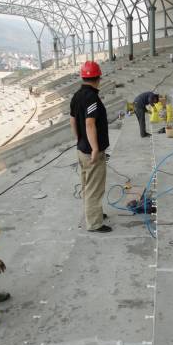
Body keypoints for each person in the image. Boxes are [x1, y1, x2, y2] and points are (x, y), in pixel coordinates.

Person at [70, 61, 112, 233]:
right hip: (91, 152)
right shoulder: (92, 98)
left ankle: (95, 213)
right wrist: (94, 148)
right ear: (98, 78)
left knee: (88, 185)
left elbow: (73, 120)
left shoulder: (76, 96)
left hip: (81, 149)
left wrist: (79, 139)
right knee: (95, 188)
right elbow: (89, 123)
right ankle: (95, 223)